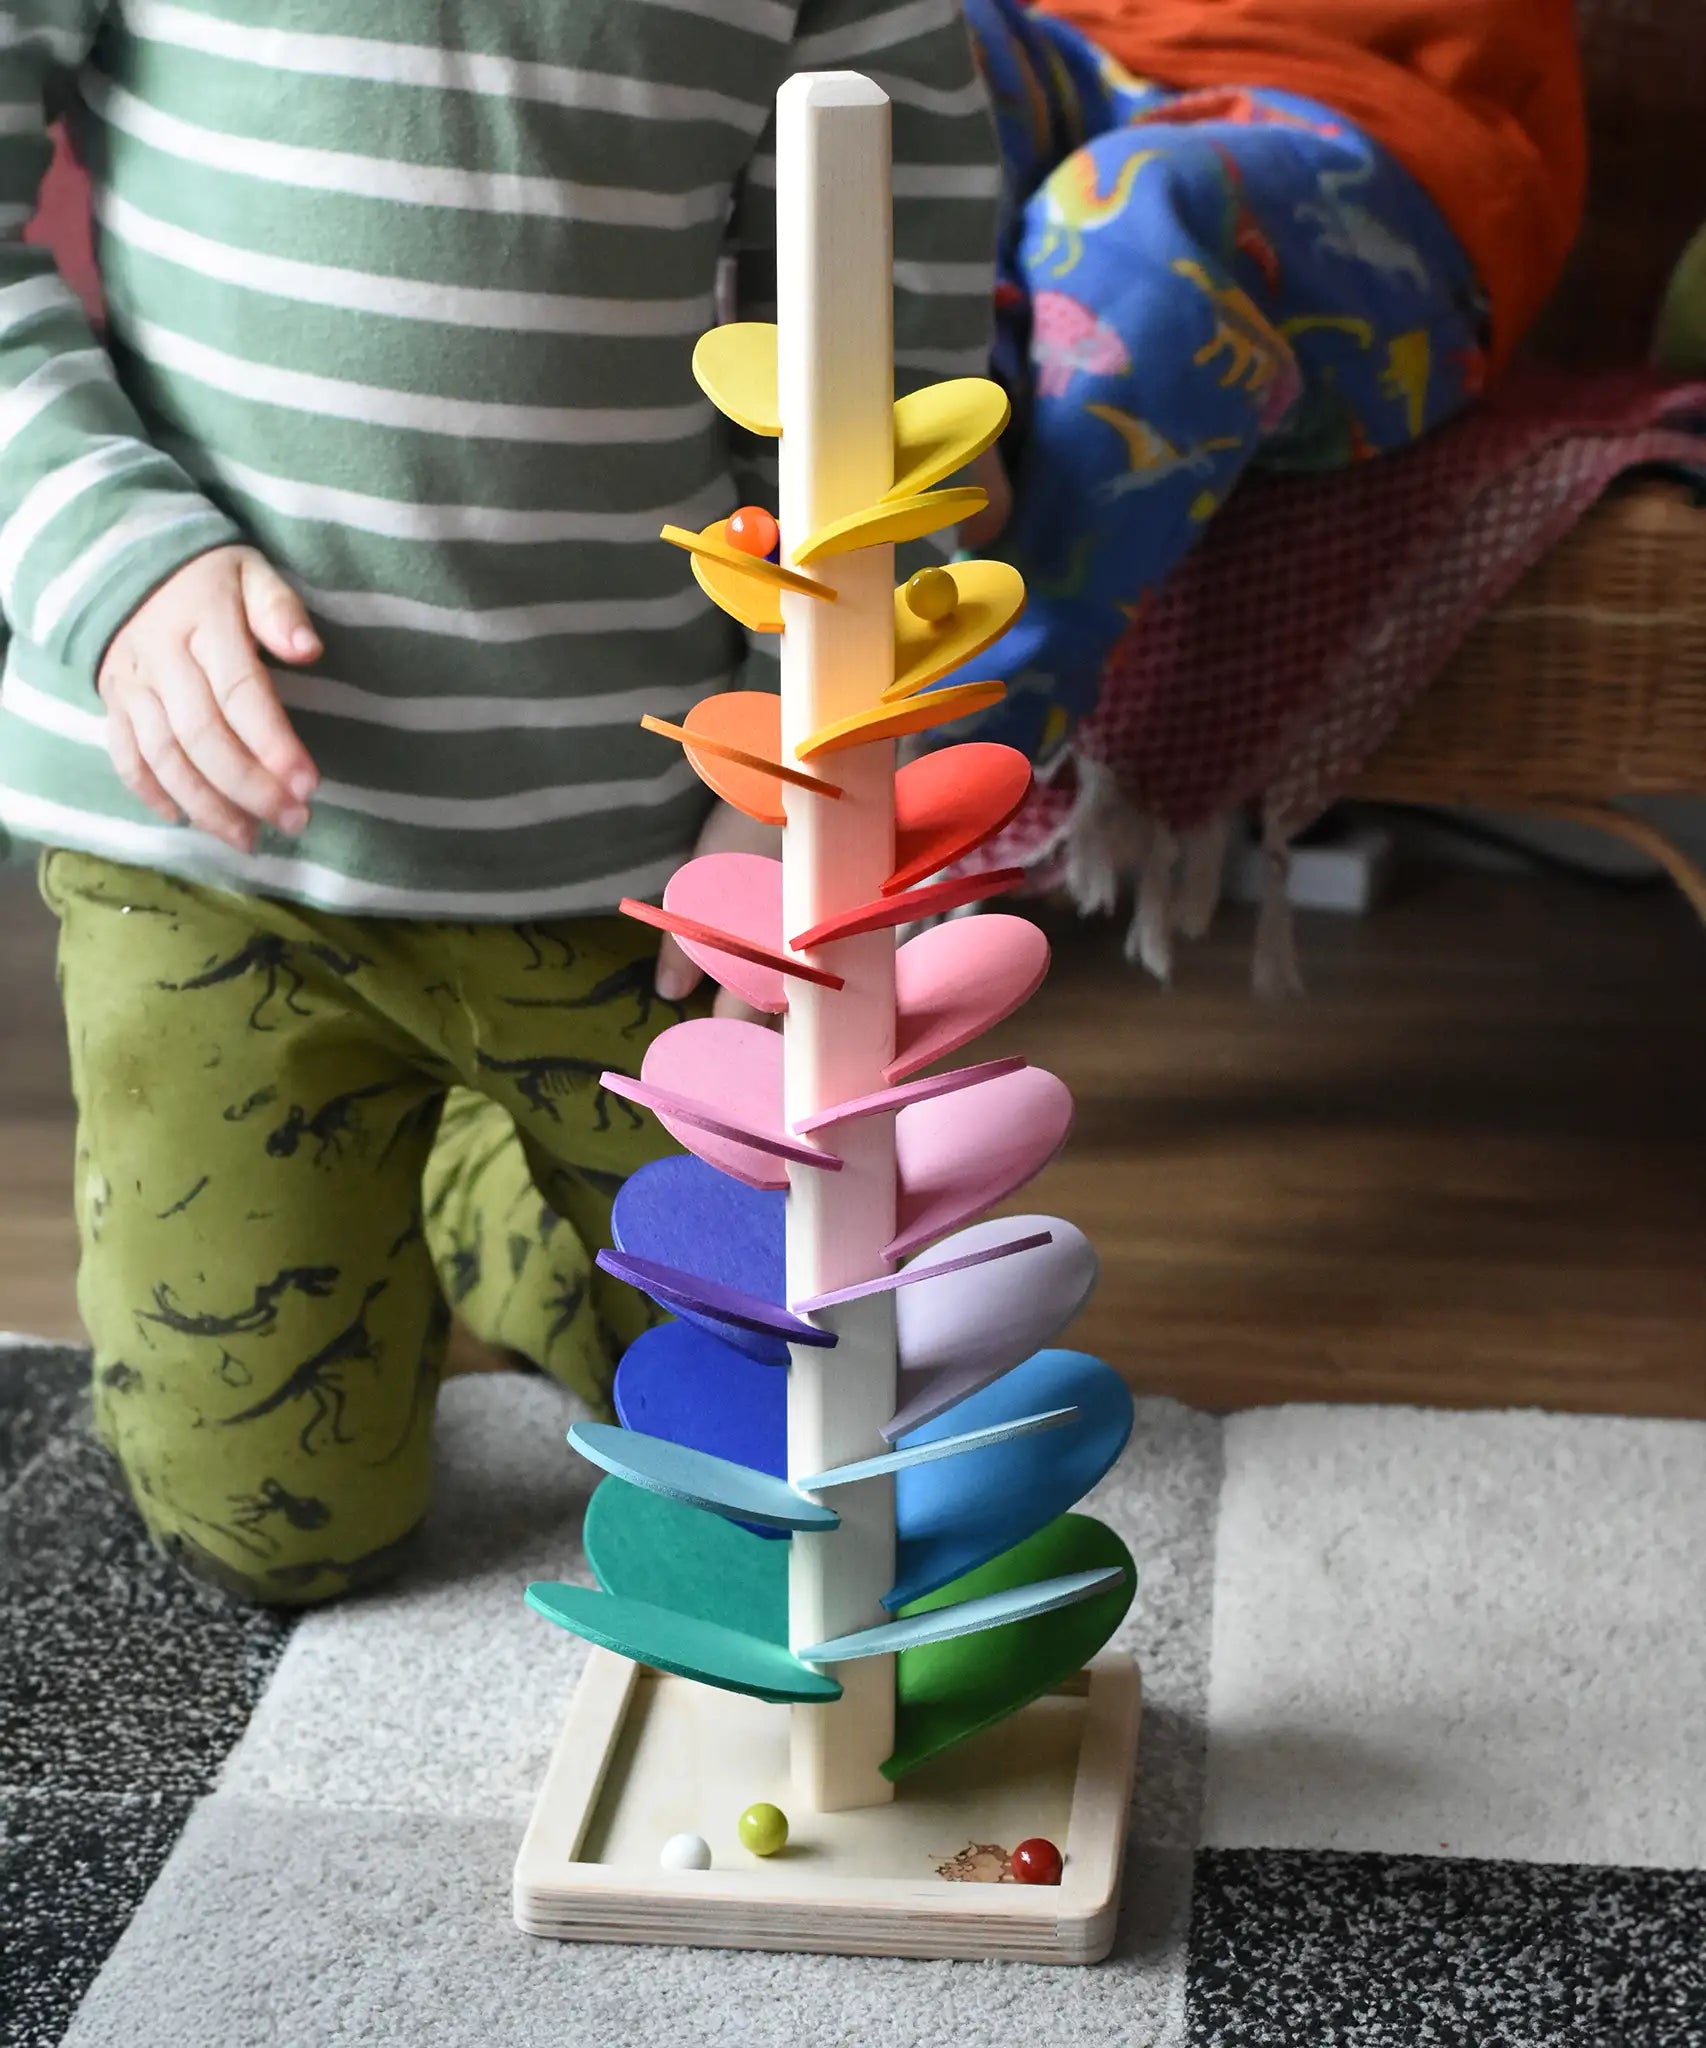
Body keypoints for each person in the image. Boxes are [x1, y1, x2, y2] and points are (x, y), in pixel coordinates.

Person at [0, 0, 999, 1603]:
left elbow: (897, 333)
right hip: (213, 853)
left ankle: (474, 1184)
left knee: (778, 1458)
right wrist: (116, 565)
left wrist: (799, 742)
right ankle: (423, 1156)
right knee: (284, 1531)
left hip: (636, 848)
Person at [935, 0, 1586, 763]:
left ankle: (946, 735)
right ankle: (950, 412)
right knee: (894, 47)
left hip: (1376, 122)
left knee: (1135, 210)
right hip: (1072, 45)